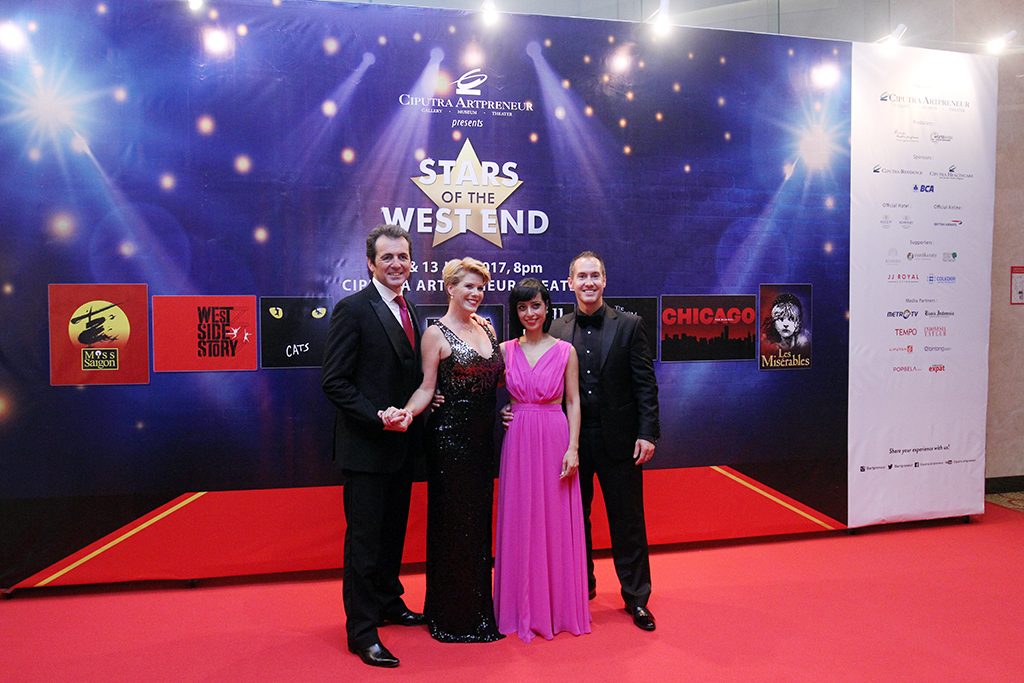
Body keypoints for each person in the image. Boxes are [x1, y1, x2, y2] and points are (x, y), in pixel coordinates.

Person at [320, 224, 428, 668]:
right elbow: (334, 381)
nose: (396, 264)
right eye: (387, 257)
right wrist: (377, 415)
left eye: (403, 257)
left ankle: (387, 602)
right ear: (370, 263)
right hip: (366, 450)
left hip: (402, 449)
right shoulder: (352, 309)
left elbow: (410, 375)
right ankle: (362, 631)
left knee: (392, 536)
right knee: (364, 545)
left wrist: (425, 402)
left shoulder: (410, 308)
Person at [547, 251, 660, 631]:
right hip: (571, 442)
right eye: (582, 276)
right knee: (574, 521)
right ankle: (583, 588)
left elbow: (645, 384)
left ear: (605, 281)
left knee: (628, 523)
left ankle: (637, 598)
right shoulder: (555, 329)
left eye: (595, 275)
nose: (589, 282)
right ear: (570, 283)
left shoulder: (630, 325)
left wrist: (647, 432)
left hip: (620, 441)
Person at [395, 257, 505, 643]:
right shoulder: (435, 334)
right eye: (468, 286)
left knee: (477, 524)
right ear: (450, 288)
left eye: (480, 287)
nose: (476, 293)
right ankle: (451, 616)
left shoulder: (487, 328)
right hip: (448, 443)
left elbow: (494, 380)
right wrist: (408, 412)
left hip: (483, 442)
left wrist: (514, 408)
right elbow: (427, 387)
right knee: (453, 525)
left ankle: (478, 610)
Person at [493, 278, 590, 642]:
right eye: (522, 307)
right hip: (518, 439)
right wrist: (439, 394)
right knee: (520, 519)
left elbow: (573, 402)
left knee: (554, 519)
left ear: (547, 307)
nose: (529, 313)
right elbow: (475, 387)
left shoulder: (566, 351)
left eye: (535, 305)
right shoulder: (503, 351)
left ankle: (558, 607)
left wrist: (573, 447)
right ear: (515, 312)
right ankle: (519, 606)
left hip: (555, 437)